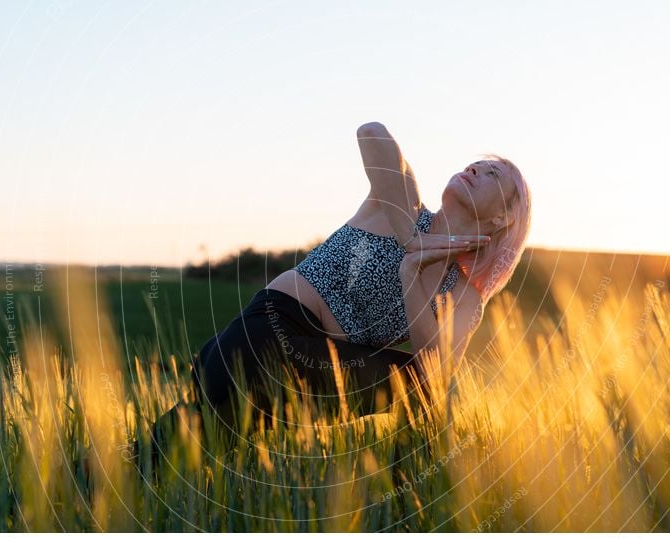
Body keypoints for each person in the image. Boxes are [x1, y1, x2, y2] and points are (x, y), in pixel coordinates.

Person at [139, 121, 532, 463]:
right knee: (175, 452)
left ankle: (405, 509)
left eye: (493, 175)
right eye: (475, 164)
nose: (475, 168)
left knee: (174, 455)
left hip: (310, 384)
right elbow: (371, 132)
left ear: (503, 218)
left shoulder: (464, 297)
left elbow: (433, 377)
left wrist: (413, 269)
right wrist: (411, 241)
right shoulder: (401, 203)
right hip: (264, 341)